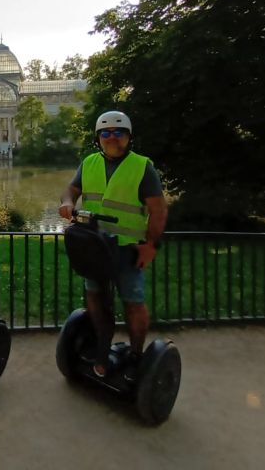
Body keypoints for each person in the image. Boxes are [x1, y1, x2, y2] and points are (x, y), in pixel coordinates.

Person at [58, 110, 168, 380]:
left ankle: (136, 354)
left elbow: (158, 209)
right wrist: (67, 203)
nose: (112, 137)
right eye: (105, 133)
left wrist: (151, 245)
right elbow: (71, 190)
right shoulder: (89, 163)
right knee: (95, 297)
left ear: (128, 137)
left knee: (133, 301)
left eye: (118, 132)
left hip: (128, 249)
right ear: (98, 138)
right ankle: (103, 348)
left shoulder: (142, 166)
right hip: (94, 246)